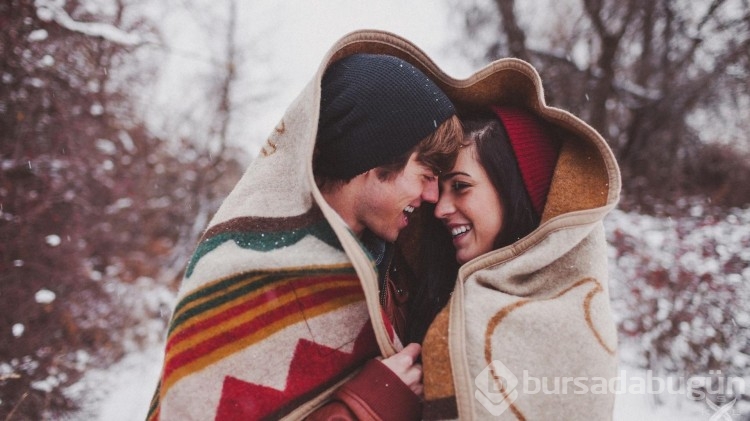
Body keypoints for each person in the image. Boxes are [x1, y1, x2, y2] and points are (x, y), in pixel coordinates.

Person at [146, 37, 462, 421]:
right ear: (375, 155)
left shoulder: (392, 260)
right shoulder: (244, 269)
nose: (432, 195)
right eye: (426, 175)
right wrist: (365, 408)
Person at [415, 97, 621, 418]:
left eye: (460, 186)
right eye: (440, 190)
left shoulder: (573, 320)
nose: (440, 208)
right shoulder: (436, 291)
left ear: (514, 190)